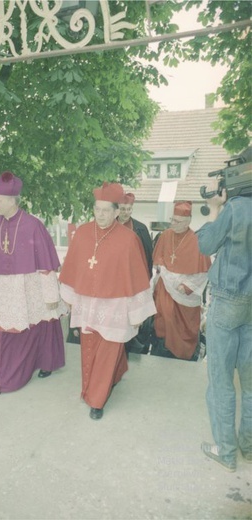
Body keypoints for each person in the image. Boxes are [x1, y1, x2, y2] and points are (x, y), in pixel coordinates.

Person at [59, 182, 156, 420]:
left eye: (106, 210)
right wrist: (71, 298)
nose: (100, 215)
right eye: (97, 209)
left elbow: (136, 276)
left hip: (115, 305)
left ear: (116, 212)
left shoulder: (129, 239)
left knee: (109, 350)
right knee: (89, 349)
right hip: (87, 303)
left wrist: (135, 314)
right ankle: (99, 383)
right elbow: (72, 267)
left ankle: (97, 399)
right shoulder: (82, 232)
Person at [0, 171, 66, 397]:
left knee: (44, 322)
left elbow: (46, 264)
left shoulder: (33, 225)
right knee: (6, 331)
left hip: (31, 287)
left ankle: (47, 363)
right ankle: (0, 379)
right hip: (5, 291)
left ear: (12, 200)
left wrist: (50, 295)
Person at [197, 180, 252, 472]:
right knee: (251, 384)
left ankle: (226, 452)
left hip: (229, 298)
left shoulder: (235, 207)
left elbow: (205, 244)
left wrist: (215, 207)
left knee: (221, 382)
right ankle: (249, 446)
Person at [150, 201, 211, 361]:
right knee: (164, 321)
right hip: (165, 290)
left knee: (183, 328)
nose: (173, 224)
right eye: (172, 219)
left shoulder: (196, 240)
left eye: (177, 221)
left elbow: (203, 272)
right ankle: (160, 353)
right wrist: (164, 270)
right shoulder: (165, 236)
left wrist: (187, 286)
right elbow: (158, 261)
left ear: (188, 221)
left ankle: (183, 356)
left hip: (185, 296)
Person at [118, 191, 154, 355]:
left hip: (134, 283)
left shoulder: (140, 229)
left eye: (129, 209)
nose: (125, 213)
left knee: (132, 320)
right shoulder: (108, 226)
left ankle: (129, 349)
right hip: (114, 285)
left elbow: (148, 258)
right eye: (122, 209)